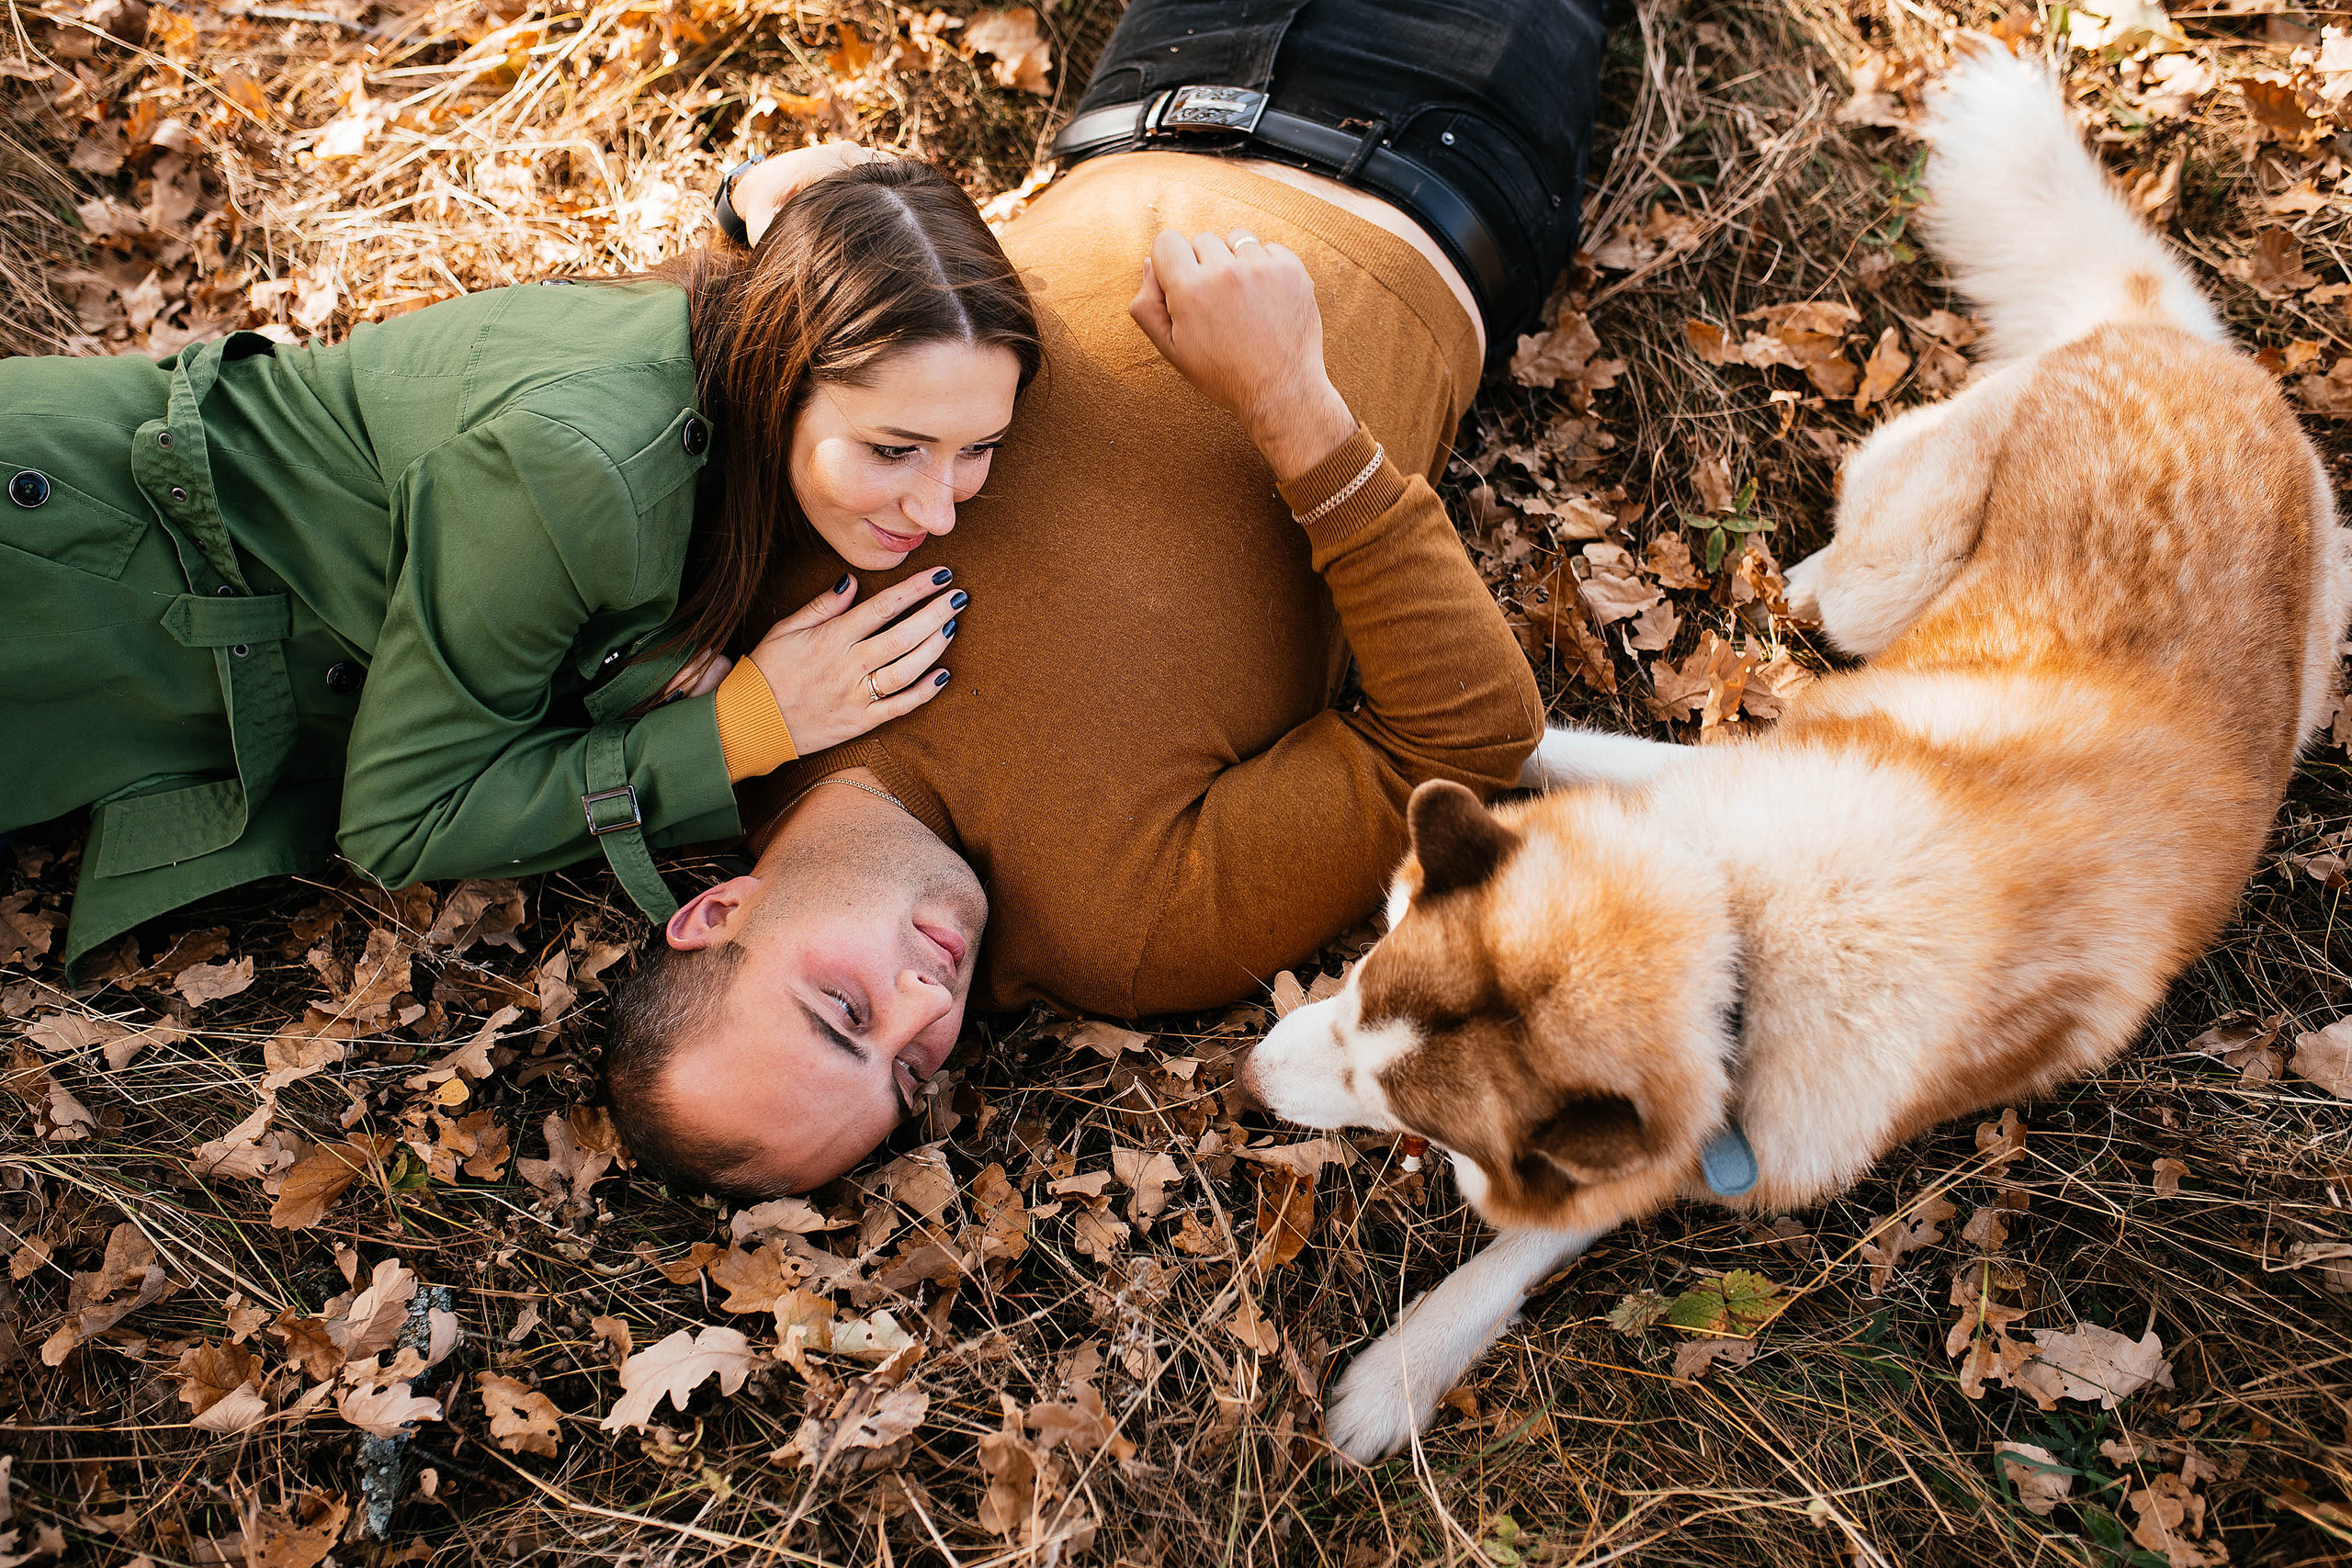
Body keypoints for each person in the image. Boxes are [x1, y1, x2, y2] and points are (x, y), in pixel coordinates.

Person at [605, 0, 1608, 1195]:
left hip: (1161, 82)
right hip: (1434, 141)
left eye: (841, 1008)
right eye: (907, 1077)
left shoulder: (717, 654)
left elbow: (668, 343)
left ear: (714, 912)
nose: (926, 1006)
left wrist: (759, 217)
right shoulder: (1132, 928)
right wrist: (1293, 401)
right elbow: (1461, 735)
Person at [3, 151, 1036, 976]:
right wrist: (736, 732)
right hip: (69, 563)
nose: (939, 508)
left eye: (979, 448)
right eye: (894, 449)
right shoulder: (587, 471)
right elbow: (405, 823)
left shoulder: (729, 365)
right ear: (778, 372)